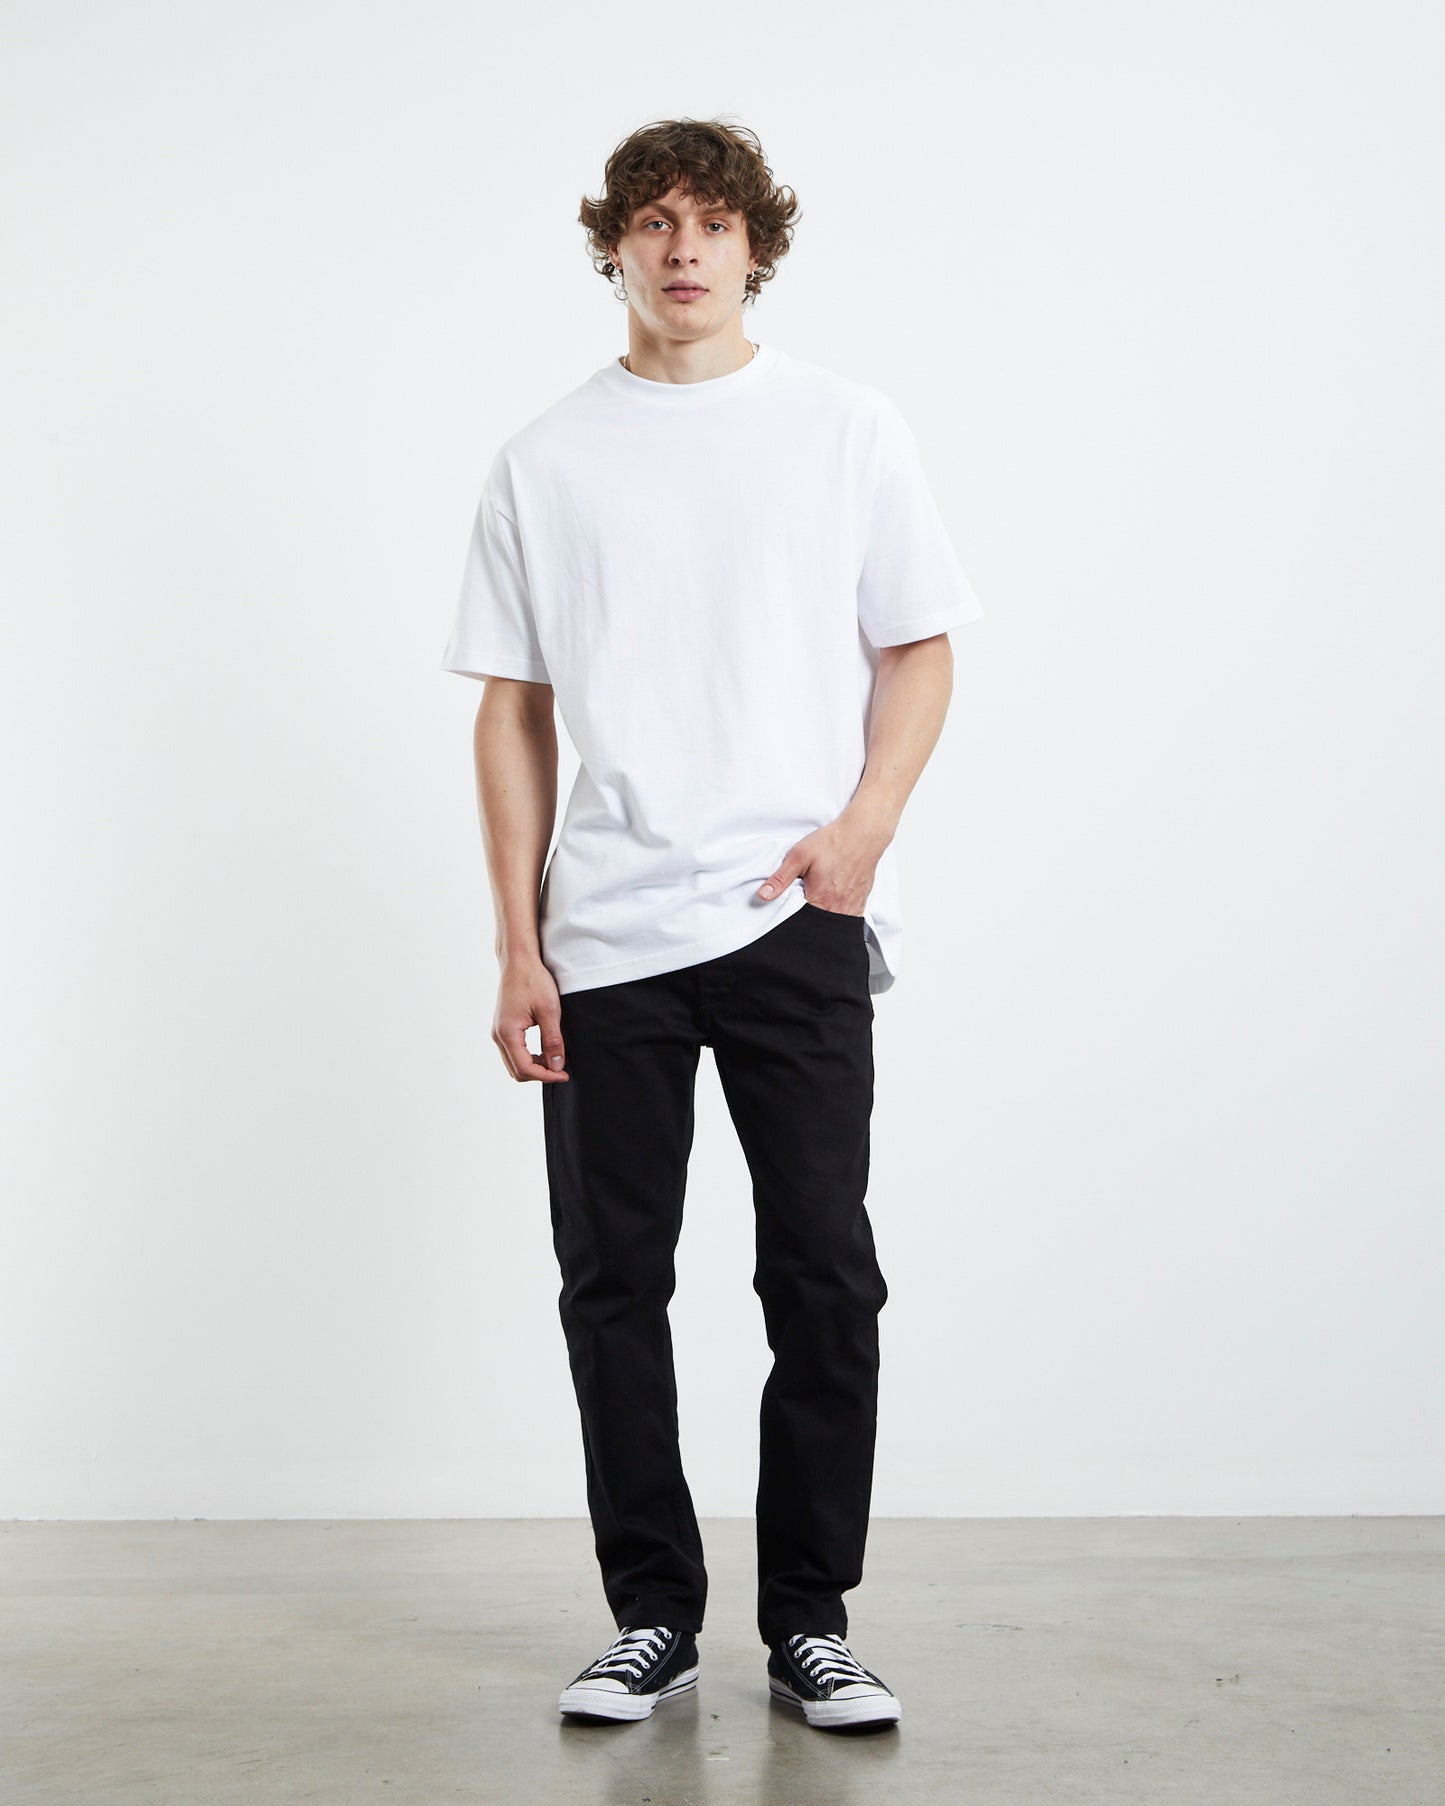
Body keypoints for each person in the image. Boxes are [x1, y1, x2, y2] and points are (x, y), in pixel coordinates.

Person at [440, 117, 984, 1732]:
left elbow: (920, 644)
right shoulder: (545, 459)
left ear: (757, 247)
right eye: (654, 221)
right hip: (606, 933)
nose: (684, 249)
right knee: (611, 1281)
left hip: (792, 911)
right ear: (611, 244)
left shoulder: (842, 427)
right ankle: (650, 1616)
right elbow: (513, 710)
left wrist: (861, 832)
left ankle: (810, 1618)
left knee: (822, 1270)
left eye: (714, 222)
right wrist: (517, 941)